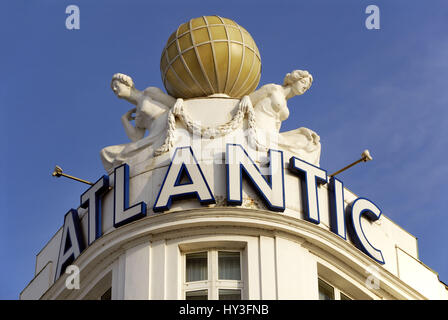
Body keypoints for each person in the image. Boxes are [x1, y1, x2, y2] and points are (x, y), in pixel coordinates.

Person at [100, 73, 176, 171]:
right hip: (152, 137)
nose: (114, 89)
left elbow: (173, 103)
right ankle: (118, 179)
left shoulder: (149, 92)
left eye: (116, 85)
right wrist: (124, 119)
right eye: (113, 88)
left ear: (127, 85)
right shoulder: (137, 114)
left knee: (122, 156)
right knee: (106, 153)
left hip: (165, 129)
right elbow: (136, 138)